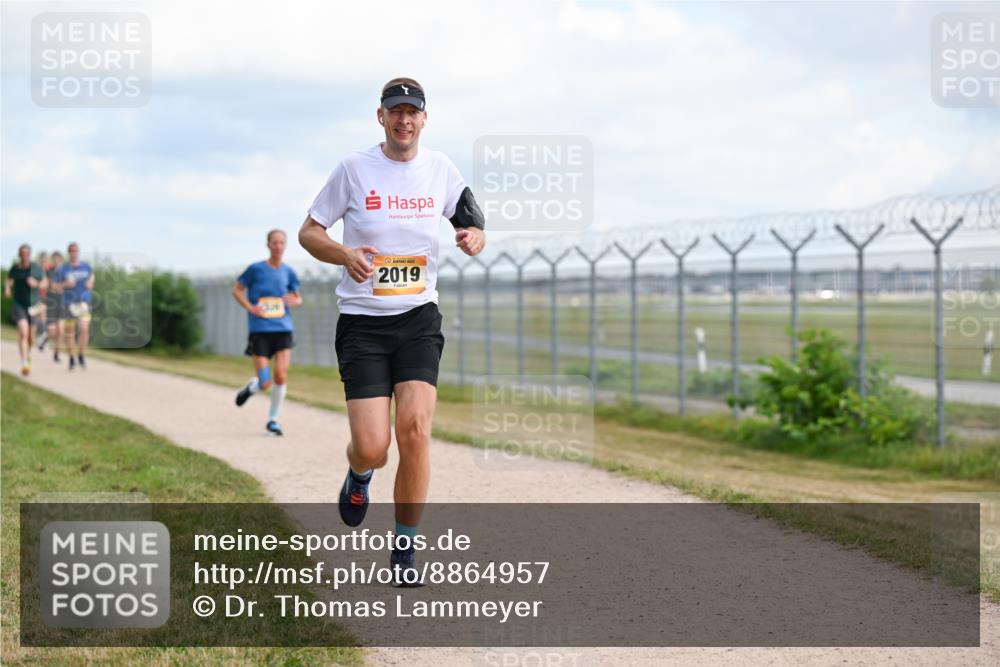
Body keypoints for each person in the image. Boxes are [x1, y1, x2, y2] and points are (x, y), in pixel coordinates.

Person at [298, 77, 486, 586]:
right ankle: (360, 474)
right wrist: (344, 253)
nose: (404, 120)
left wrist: (474, 236)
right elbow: (309, 232)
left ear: (424, 119)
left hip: (418, 319)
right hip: (363, 324)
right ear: (380, 116)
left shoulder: (440, 169)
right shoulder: (354, 169)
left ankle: (404, 550)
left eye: (412, 111)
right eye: (395, 111)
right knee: (374, 446)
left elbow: (472, 220)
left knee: (416, 431)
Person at [232, 229, 302, 436]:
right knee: (265, 382)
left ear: (285, 245)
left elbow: (298, 298)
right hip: (260, 330)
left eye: (282, 243)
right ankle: (252, 386)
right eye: (275, 242)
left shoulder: (289, 272)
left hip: (283, 329)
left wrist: (295, 301)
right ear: (268, 245)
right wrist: (250, 307)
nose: (278, 246)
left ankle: (273, 420)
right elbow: (237, 290)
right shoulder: (255, 269)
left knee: (280, 375)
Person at [5, 244, 45, 375]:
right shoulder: (15, 268)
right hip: (19, 304)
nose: (24, 256)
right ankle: (24, 362)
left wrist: (36, 283)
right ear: (19, 255)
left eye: (27, 253)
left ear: (29, 254)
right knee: (23, 333)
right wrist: (8, 288)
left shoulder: (36, 268)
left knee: (30, 337)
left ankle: (27, 355)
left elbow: (45, 283)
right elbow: (9, 279)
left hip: (33, 305)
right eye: (22, 253)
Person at [53, 242, 94, 371]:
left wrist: (90, 282)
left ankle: (81, 354)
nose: (74, 252)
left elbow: (92, 276)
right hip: (68, 304)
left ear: (78, 252)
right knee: (70, 333)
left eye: (76, 250)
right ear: (69, 252)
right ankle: (71, 357)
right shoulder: (62, 269)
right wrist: (65, 284)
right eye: (71, 250)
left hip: (83, 303)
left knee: (84, 328)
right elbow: (54, 287)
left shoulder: (86, 266)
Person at [44, 251, 65, 362]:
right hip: (51, 301)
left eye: (58, 259)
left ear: (61, 260)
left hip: (62, 302)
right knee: (52, 331)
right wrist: (62, 285)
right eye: (54, 259)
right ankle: (46, 339)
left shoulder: (66, 271)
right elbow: (51, 286)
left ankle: (56, 354)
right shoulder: (49, 271)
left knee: (60, 330)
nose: (56, 261)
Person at [34, 251, 50, 350]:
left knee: (43, 319)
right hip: (37, 296)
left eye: (46, 260)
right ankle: (40, 338)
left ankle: (41, 339)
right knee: (40, 318)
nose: (44, 262)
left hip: (46, 297)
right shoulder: (36, 270)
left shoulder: (49, 270)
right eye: (42, 261)